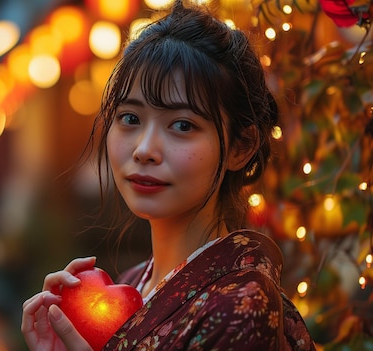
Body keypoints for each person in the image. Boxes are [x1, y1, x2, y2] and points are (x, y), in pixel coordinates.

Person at [21, 1, 316, 350]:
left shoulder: (239, 307)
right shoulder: (134, 285)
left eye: (182, 125)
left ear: (242, 146)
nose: (144, 149)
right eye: (130, 118)